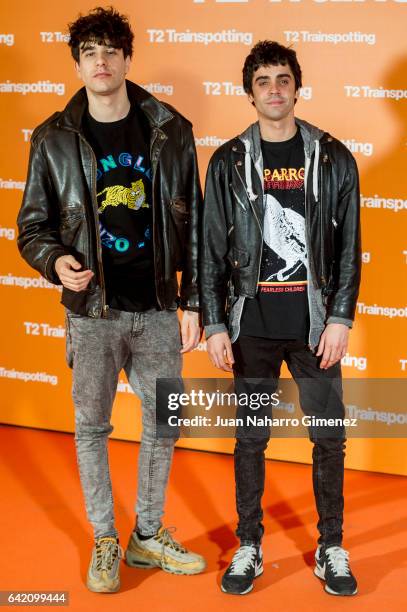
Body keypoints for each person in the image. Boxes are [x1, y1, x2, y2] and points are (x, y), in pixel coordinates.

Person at [17, 6, 205, 594]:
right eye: (90, 52)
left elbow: (195, 225)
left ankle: (148, 536)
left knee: (164, 424)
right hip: (91, 315)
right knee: (92, 427)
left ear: (127, 58)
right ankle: (105, 536)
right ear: (77, 64)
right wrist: (55, 260)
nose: (101, 61)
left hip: (156, 309)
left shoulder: (172, 130)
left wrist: (195, 301)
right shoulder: (51, 139)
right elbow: (31, 228)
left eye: (110, 51)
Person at [201, 41, 361, 597]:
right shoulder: (228, 161)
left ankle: (331, 546)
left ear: (297, 87)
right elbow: (209, 251)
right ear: (250, 93)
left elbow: (347, 250)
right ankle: (249, 543)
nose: (274, 88)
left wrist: (340, 316)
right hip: (252, 326)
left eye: (283, 79)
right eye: (263, 80)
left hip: (315, 328)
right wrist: (215, 322)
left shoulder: (334, 158)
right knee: (250, 440)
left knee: (329, 439)